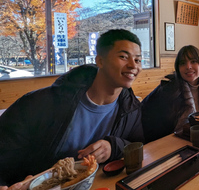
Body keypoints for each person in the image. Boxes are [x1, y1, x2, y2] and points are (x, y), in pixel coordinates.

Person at [0, 29, 144, 187]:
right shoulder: (40, 103)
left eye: (137, 60)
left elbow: (136, 144)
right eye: (123, 57)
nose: (132, 65)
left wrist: (112, 146)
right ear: (100, 61)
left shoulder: (130, 108)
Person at [141, 45, 199, 143]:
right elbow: (145, 110)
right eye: (183, 63)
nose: (188, 67)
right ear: (178, 67)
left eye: (193, 61)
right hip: (174, 142)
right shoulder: (167, 90)